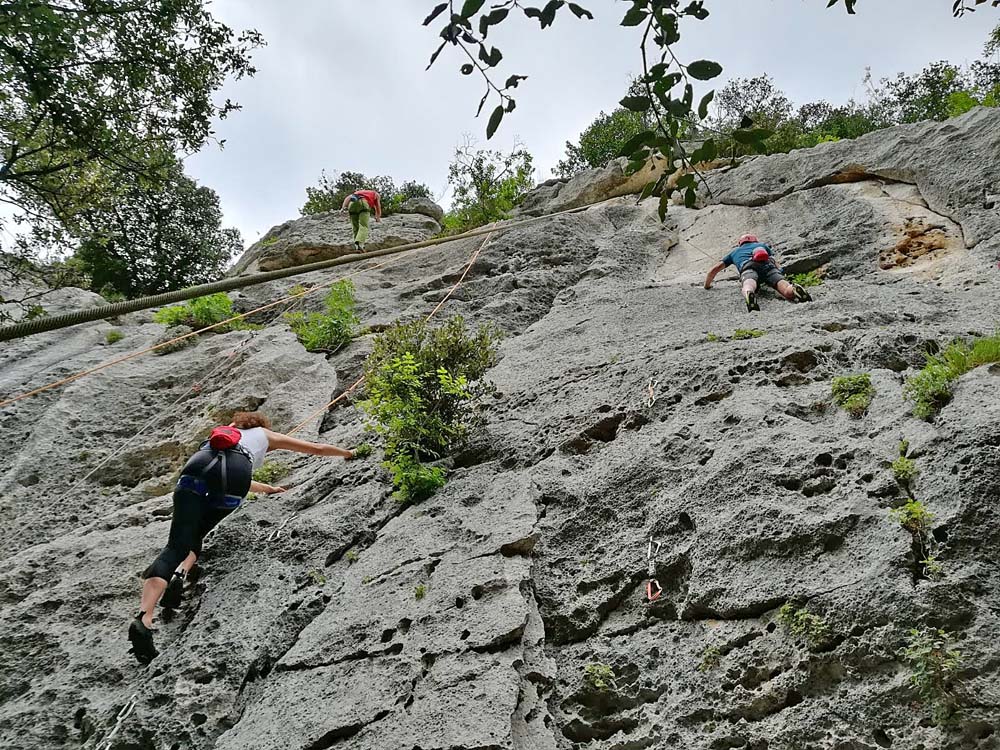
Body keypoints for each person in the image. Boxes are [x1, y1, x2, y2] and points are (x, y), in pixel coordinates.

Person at [128, 411, 357, 664]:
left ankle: (144, 617)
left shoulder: (221, 436)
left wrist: (267, 488)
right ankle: (181, 573)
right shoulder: (264, 435)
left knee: (176, 545)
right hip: (234, 476)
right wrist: (348, 453)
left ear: (235, 425)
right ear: (259, 425)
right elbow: (317, 448)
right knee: (200, 532)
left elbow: (218, 469)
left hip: (197, 467)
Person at [703, 234, 812, 312]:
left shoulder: (734, 252)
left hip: (748, 267)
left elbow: (714, 270)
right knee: (783, 287)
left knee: (749, 284)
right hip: (768, 266)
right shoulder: (762, 246)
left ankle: (749, 293)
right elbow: (774, 261)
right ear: (754, 241)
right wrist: (781, 272)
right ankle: (793, 289)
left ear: (740, 243)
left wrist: (707, 285)